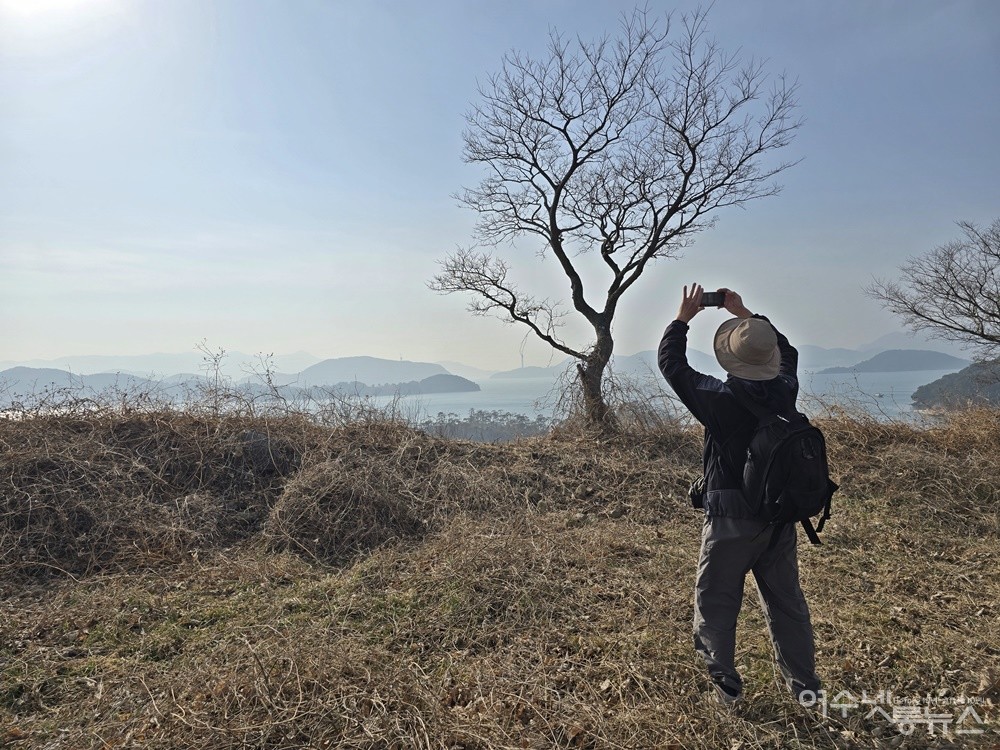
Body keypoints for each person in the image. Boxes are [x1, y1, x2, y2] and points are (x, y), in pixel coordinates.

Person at [657, 283, 820, 707]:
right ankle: (805, 687)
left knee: (717, 598)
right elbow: (787, 351)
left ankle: (725, 684)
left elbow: (672, 365)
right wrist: (746, 314)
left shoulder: (720, 399)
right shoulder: (785, 389)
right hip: (779, 517)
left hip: (731, 518)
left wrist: (681, 319)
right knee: (786, 602)